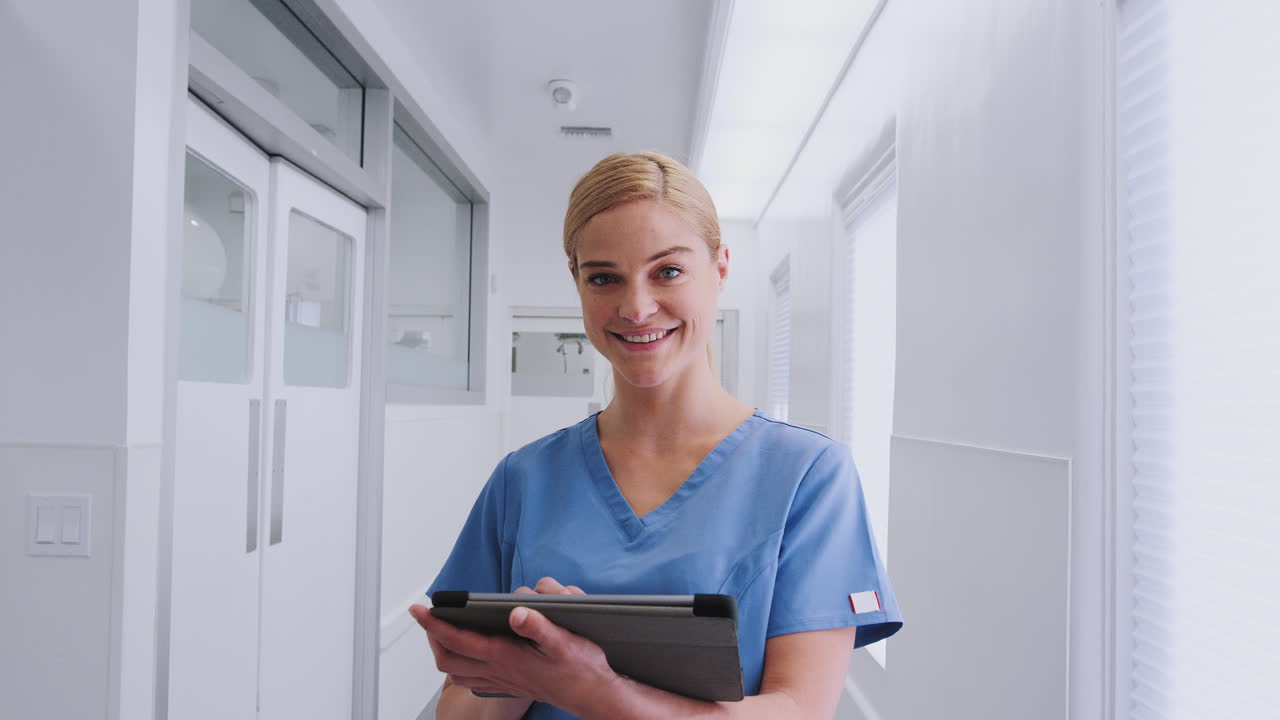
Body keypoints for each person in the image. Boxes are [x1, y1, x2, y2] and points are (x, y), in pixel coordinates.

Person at [408, 151, 902, 719]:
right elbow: (458, 708)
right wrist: (526, 671)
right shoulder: (524, 479)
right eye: (604, 278)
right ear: (577, 282)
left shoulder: (807, 475)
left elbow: (798, 710)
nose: (636, 307)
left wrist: (590, 688)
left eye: (667, 271)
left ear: (719, 267)